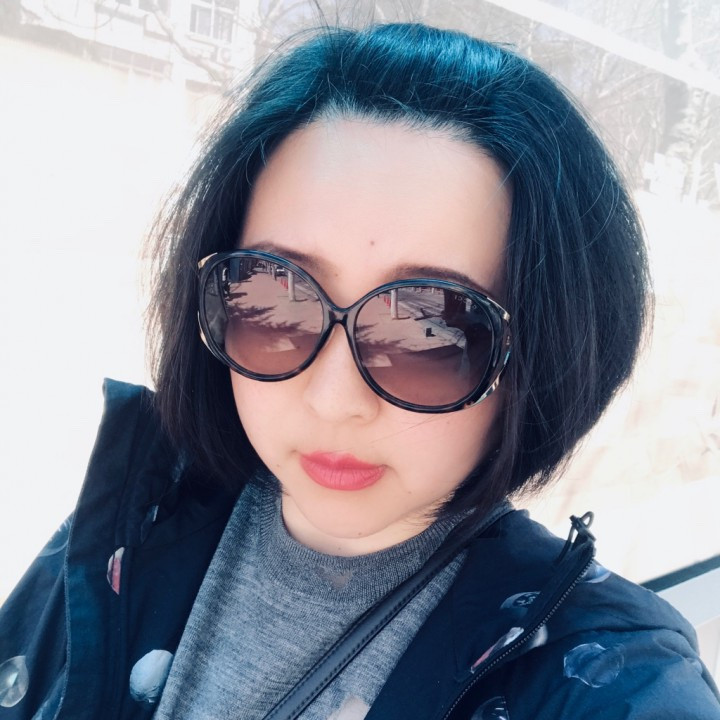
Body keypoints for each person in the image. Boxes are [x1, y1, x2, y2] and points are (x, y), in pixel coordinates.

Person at [1, 21, 719, 720]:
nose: (333, 398)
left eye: (430, 331)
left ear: (540, 352)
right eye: (272, 300)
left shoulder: (609, 680)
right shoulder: (126, 527)